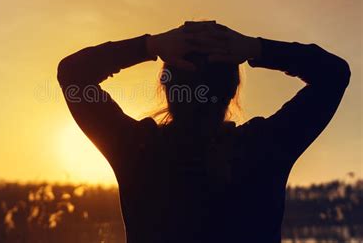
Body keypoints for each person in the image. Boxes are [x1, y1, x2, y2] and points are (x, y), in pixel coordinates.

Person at [57, 21, 351, 243]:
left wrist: (149, 46)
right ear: (233, 91)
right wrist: (255, 48)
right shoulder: (263, 147)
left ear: (166, 88)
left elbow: (73, 73)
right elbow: (334, 74)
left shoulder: (137, 149)